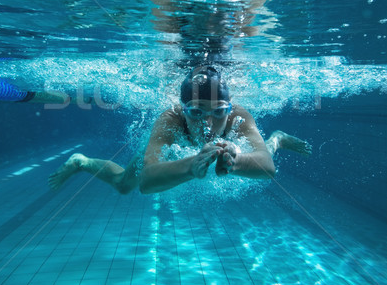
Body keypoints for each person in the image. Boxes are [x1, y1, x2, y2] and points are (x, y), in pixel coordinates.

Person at [48, 66, 312, 194]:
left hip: (226, 148)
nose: (208, 124)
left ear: (229, 109)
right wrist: (190, 166)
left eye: (218, 112)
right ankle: (80, 161)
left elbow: (268, 168)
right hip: (168, 151)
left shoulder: (238, 116)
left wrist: (238, 160)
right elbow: (148, 181)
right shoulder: (170, 119)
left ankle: (277, 139)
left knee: (265, 148)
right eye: (197, 112)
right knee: (124, 186)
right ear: (184, 109)